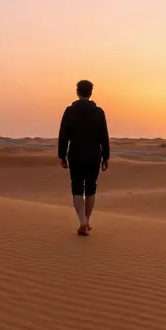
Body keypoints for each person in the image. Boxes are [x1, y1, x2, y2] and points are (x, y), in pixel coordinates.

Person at [58, 79, 110, 236]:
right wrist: (105, 156)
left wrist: (62, 155)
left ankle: (83, 221)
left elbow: (63, 135)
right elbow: (104, 136)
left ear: (77, 92)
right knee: (91, 188)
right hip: (94, 155)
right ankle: (86, 221)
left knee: (77, 187)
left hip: (76, 154)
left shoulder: (69, 111)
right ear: (91, 92)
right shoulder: (99, 112)